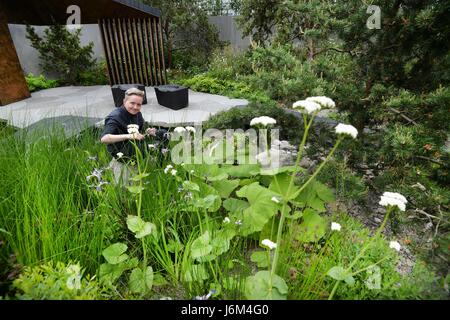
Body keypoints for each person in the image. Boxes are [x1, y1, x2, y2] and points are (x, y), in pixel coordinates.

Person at [100, 87, 168, 185]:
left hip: (135, 154)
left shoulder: (137, 114)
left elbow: (141, 128)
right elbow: (104, 139)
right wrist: (129, 136)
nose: (135, 107)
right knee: (125, 192)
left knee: (162, 133)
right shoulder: (115, 117)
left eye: (139, 104)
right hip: (123, 159)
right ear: (124, 101)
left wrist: (148, 131)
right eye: (132, 103)